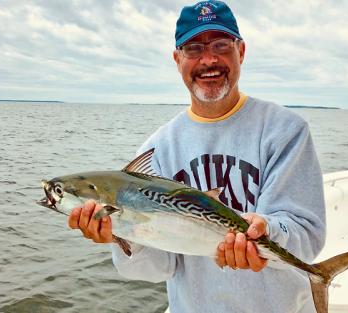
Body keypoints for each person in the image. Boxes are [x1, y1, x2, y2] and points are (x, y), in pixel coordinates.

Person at [68, 1, 326, 312]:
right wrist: (122, 236)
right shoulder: (158, 149)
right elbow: (156, 268)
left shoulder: (285, 131)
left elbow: (307, 238)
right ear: (177, 59)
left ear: (241, 51)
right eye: (193, 49)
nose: (209, 59)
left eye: (221, 45)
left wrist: (266, 231)